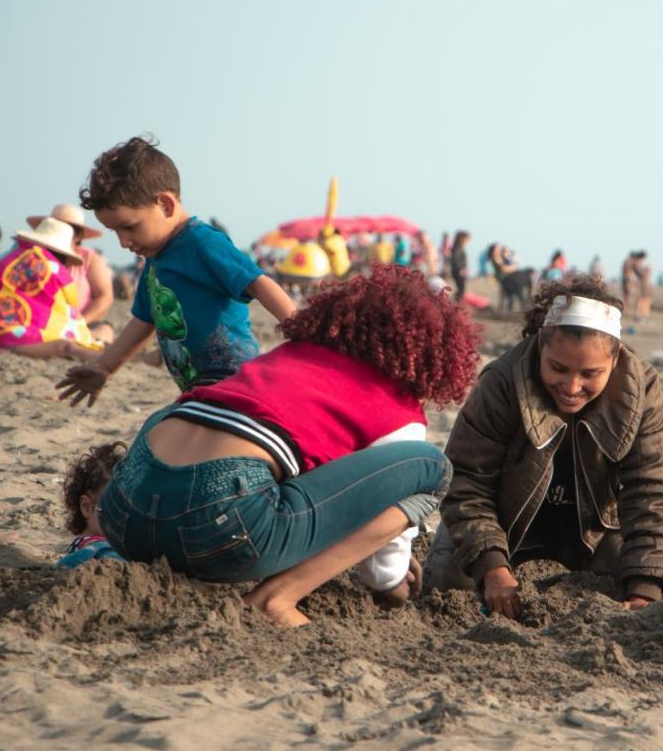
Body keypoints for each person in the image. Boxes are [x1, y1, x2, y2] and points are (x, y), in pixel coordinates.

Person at [95, 266, 480, 625]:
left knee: (212, 413)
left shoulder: (287, 357)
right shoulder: (399, 411)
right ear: (433, 357)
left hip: (123, 513)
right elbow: (384, 543)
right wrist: (390, 579)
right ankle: (276, 599)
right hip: (218, 527)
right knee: (431, 468)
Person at [424, 274, 663, 617]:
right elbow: (467, 481)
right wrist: (491, 566)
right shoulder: (501, 382)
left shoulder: (642, 391)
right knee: (444, 591)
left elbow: (652, 491)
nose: (572, 386)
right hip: (502, 526)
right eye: (558, 368)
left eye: (591, 374)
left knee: (634, 583)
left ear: (615, 361)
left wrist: (645, 588)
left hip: (595, 532)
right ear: (540, 345)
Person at [56, 136, 296, 404]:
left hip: (232, 378)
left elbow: (258, 282)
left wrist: (300, 328)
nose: (123, 242)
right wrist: (104, 367)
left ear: (165, 205)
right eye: (116, 232)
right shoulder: (155, 259)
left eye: (130, 227)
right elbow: (143, 321)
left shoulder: (202, 242)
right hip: (195, 386)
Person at [0, 217, 101, 360]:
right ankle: (101, 359)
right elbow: (70, 303)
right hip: (3, 336)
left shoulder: (8, 256)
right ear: (64, 255)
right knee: (65, 344)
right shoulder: (52, 267)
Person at [28, 204, 115, 340]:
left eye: (68, 229)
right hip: (41, 320)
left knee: (105, 330)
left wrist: (79, 323)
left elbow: (105, 296)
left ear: (78, 235)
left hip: (82, 321)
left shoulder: (90, 259)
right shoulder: (34, 256)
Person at [56, 442, 128, 568]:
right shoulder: (94, 545)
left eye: (128, 510)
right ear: (86, 507)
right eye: (113, 510)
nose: (121, 519)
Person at [449, 230, 470, 301]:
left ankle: (456, 303)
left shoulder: (458, 247)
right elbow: (455, 260)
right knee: (461, 289)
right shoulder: (457, 248)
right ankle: (456, 303)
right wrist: (461, 269)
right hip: (458, 272)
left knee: (461, 289)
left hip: (459, 271)